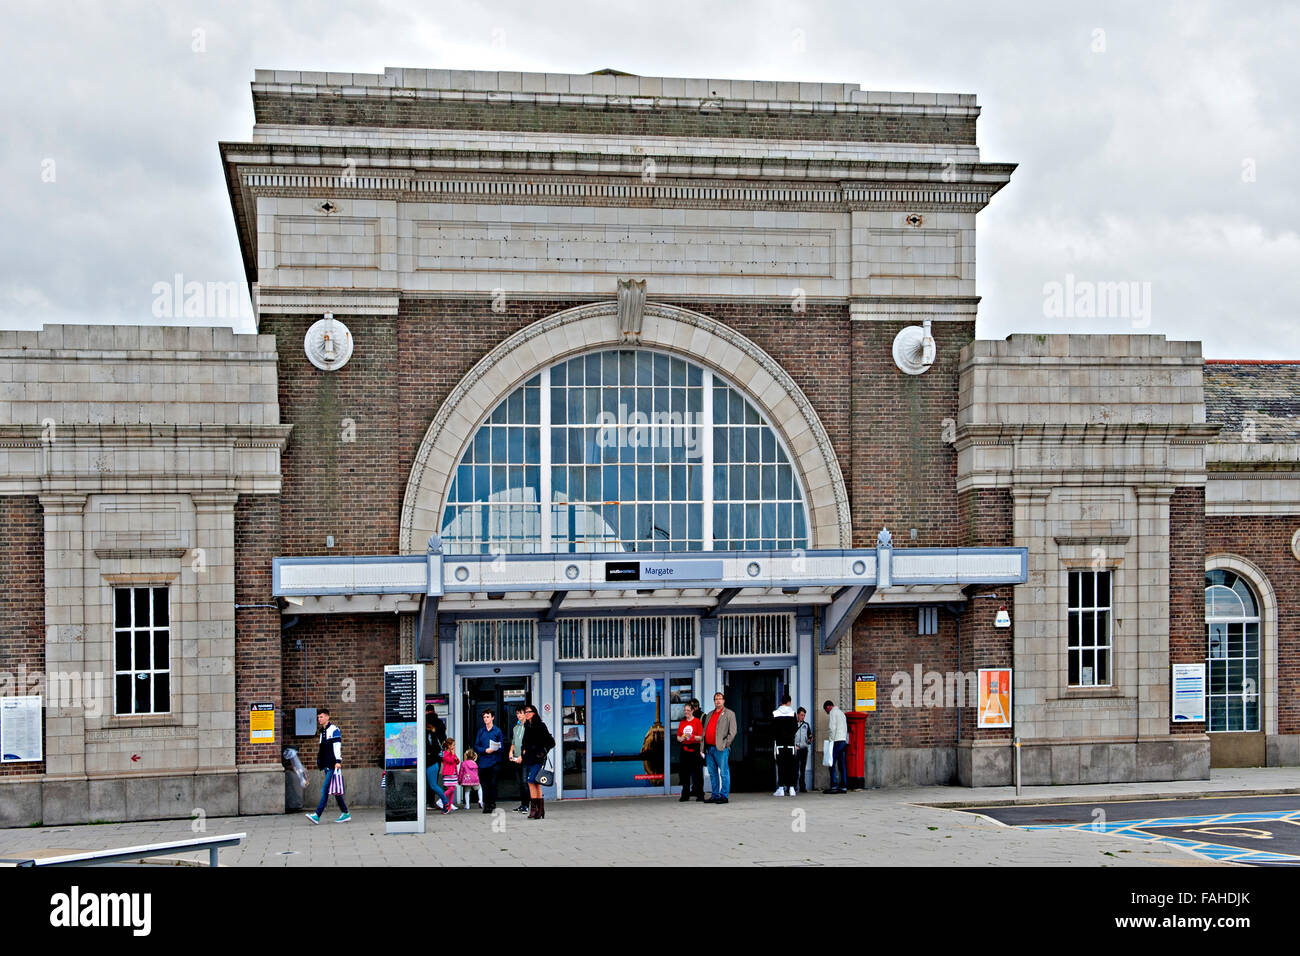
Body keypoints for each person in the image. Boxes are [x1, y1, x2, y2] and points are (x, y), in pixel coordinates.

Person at [306, 708, 350, 824]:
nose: (319, 719)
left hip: (333, 765)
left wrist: (338, 761)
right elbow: (322, 750)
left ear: (327, 717)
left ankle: (317, 815)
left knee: (325, 789)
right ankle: (345, 813)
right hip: (326, 765)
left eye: (321, 717)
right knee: (335, 791)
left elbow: (337, 747)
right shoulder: (322, 732)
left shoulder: (334, 730)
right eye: (318, 717)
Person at [520, 704, 555, 820]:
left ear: (534, 713)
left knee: (530, 781)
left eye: (528, 712)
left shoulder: (540, 726)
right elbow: (525, 741)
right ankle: (540, 810)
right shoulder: (527, 726)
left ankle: (534, 809)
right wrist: (523, 750)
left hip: (538, 758)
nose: (526, 714)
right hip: (529, 758)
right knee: (536, 782)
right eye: (525, 712)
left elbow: (551, 742)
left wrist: (543, 752)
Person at [702, 692, 736, 805]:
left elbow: (733, 732)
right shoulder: (709, 714)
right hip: (709, 749)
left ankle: (724, 796)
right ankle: (715, 795)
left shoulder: (729, 714)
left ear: (723, 700)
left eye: (720, 699)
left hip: (721, 748)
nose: (718, 701)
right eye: (716, 699)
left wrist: (726, 744)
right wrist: (702, 747)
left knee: (724, 773)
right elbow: (704, 732)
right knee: (713, 773)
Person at [474, 708, 505, 813]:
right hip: (483, 762)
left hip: (494, 762)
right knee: (484, 785)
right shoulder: (481, 731)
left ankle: (492, 803)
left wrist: (498, 760)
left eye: (487, 717)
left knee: (493, 784)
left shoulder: (497, 731)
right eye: (484, 717)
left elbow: (502, 747)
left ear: (492, 718)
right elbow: (476, 746)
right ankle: (486, 805)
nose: (485, 719)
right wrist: (485, 750)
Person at [675, 700, 705, 802]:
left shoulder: (697, 721)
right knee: (685, 774)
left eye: (688, 710)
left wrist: (692, 737)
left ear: (692, 711)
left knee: (698, 774)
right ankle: (685, 795)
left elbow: (701, 737)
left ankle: (700, 794)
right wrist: (682, 738)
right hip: (684, 751)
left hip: (695, 750)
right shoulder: (682, 722)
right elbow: (678, 738)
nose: (686, 712)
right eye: (685, 710)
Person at [771, 694, 798, 796]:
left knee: (781, 766)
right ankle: (791, 788)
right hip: (790, 744)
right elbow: (795, 728)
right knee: (791, 766)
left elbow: (772, 729)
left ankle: (781, 788)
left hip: (779, 744)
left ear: (781, 702)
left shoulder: (775, 713)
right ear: (789, 702)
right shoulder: (792, 713)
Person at [425, 708, 450, 813]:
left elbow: (432, 748)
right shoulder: (438, 727)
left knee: (433, 785)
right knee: (433, 784)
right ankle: (438, 803)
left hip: (430, 762)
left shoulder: (429, 735)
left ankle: (445, 803)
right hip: (434, 761)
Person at [823, 699, 848, 793]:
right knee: (842, 765)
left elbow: (832, 728)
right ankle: (843, 786)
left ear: (828, 707)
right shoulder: (842, 713)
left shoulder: (833, 713)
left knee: (831, 764)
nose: (827, 712)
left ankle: (833, 786)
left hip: (836, 741)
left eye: (826, 710)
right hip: (843, 740)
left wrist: (831, 741)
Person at [508, 705, 529, 813]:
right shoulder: (515, 728)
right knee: (520, 783)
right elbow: (513, 742)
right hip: (516, 759)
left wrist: (522, 756)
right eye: (517, 713)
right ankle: (522, 804)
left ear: (525, 714)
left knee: (525, 782)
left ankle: (527, 805)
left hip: (525, 759)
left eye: (521, 713)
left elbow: (528, 744)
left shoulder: (529, 727)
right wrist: (510, 751)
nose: (519, 715)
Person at [794, 706, 813, 793]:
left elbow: (809, 736)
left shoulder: (806, 725)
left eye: (804, 715)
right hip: (796, 749)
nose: (803, 717)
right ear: (797, 715)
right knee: (795, 768)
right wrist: (794, 746)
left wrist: (809, 740)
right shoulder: (793, 725)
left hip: (804, 749)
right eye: (801, 715)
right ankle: (793, 787)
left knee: (802, 769)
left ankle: (802, 787)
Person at [441, 737, 461, 810]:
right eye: (453, 745)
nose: (454, 747)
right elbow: (450, 761)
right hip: (448, 774)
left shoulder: (452, 753)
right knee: (451, 789)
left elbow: (457, 762)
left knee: (453, 788)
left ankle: (451, 804)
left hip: (454, 773)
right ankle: (441, 800)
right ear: (449, 746)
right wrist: (453, 755)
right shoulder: (445, 753)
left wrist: (455, 757)